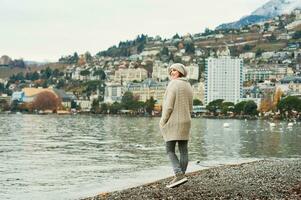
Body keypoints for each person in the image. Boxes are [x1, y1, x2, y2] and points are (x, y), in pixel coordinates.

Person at [159, 63, 193, 186]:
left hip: (173, 121)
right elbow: (190, 107)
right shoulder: (188, 85)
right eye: (171, 70)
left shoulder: (173, 84)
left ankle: (179, 174)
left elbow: (168, 106)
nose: (172, 72)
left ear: (180, 71)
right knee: (184, 150)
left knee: (169, 149)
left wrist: (163, 121)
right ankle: (181, 176)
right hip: (186, 121)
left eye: (174, 70)